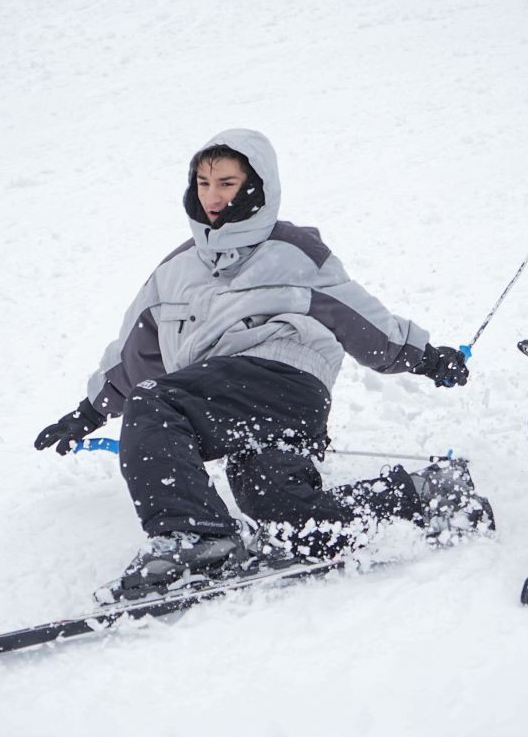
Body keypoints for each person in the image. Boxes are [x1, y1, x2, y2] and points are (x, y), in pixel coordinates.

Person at [34, 130, 494, 602]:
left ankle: (198, 537)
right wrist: (88, 413)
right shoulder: (174, 271)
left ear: (256, 185)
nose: (212, 196)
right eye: (203, 182)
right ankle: (428, 494)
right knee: (286, 517)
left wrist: (427, 358)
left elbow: (361, 319)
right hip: (226, 399)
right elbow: (134, 353)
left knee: (154, 402)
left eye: (227, 183)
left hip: (283, 378)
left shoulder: (290, 251)